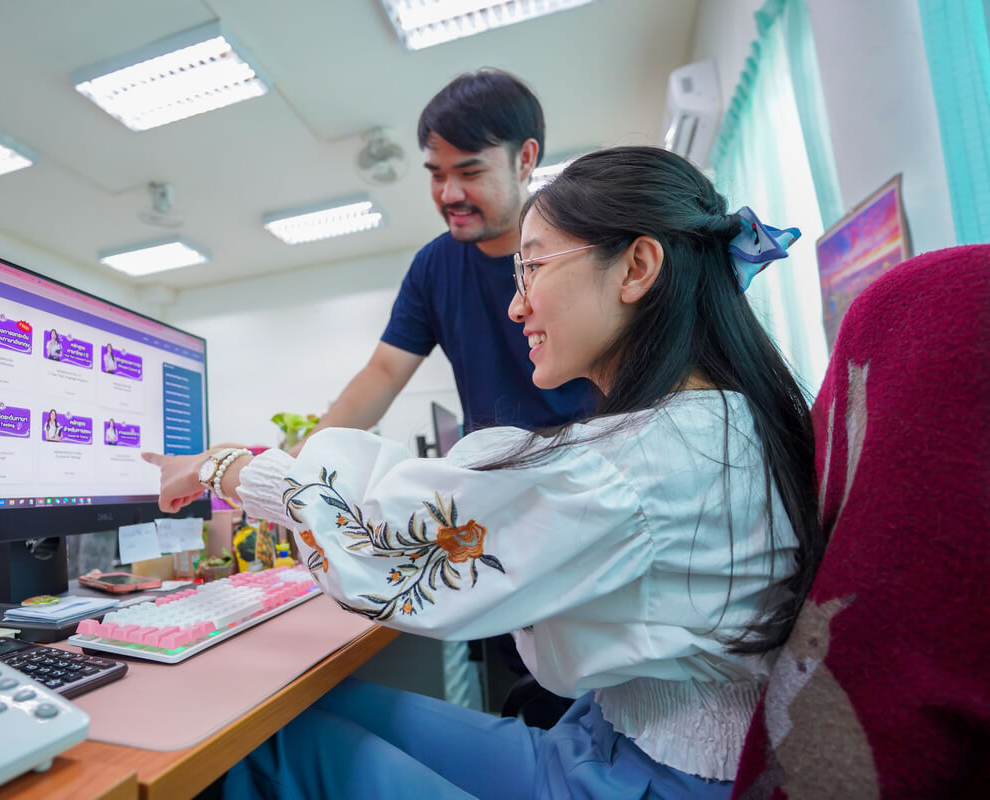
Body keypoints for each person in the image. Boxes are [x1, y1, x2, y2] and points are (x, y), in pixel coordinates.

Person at [142, 146, 824, 798]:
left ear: (637, 267)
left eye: (534, 268)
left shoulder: (648, 462)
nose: (516, 305)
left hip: (648, 780)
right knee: (307, 711)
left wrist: (223, 465)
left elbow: (386, 539)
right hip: (612, 742)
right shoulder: (710, 422)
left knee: (257, 746)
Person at [298, 69, 594, 453]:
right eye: (437, 175)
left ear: (524, 159)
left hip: (589, 465)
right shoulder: (433, 267)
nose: (449, 194)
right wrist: (300, 457)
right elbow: (384, 372)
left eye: (470, 172)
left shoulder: (578, 246)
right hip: (489, 472)